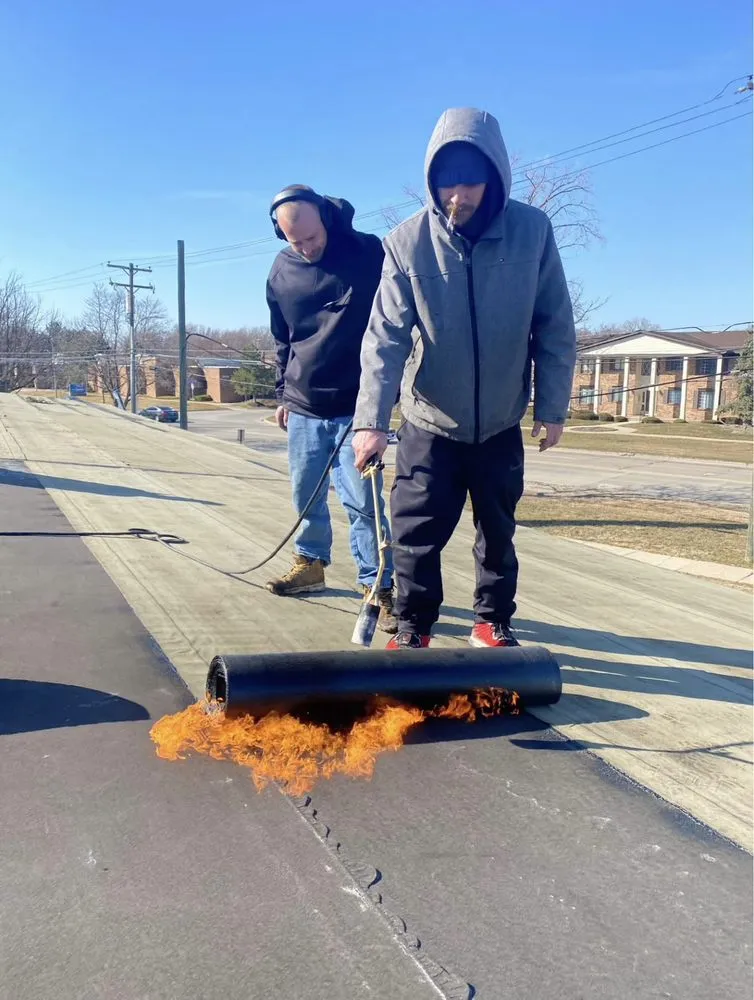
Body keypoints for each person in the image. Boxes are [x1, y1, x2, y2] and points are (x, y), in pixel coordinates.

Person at [351, 108, 576, 649]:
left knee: (497, 532)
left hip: (500, 418)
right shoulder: (407, 243)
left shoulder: (532, 231)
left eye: (471, 180)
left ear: (494, 176)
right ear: (433, 182)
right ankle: (412, 626)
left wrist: (552, 407)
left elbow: (555, 324)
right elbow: (384, 338)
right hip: (430, 417)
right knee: (414, 533)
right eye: (447, 181)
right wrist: (371, 422)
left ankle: (492, 620)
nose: (459, 194)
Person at [265, 184, 397, 633]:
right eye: (293, 241)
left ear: (326, 218)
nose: (305, 248)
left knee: (363, 502)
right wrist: (284, 392)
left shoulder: (367, 254)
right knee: (305, 494)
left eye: (311, 237)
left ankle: (376, 584)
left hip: (357, 408)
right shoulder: (281, 270)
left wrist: (385, 401)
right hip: (303, 404)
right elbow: (282, 338)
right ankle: (310, 565)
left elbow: (398, 321)